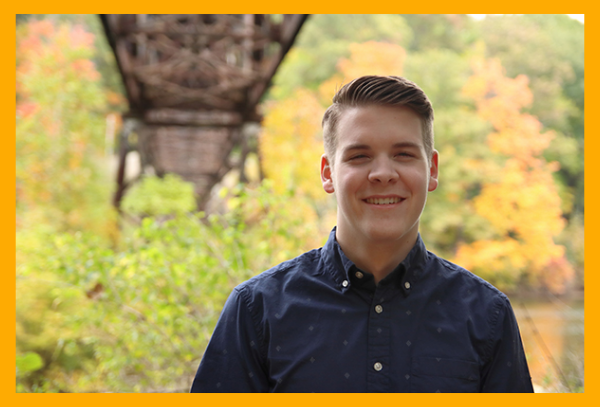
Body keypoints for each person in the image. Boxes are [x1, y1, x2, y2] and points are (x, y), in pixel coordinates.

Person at [190, 75, 534, 393]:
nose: (383, 173)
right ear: (328, 173)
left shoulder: (487, 315)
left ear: (431, 169)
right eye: (359, 156)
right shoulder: (257, 310)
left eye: (403, 154)